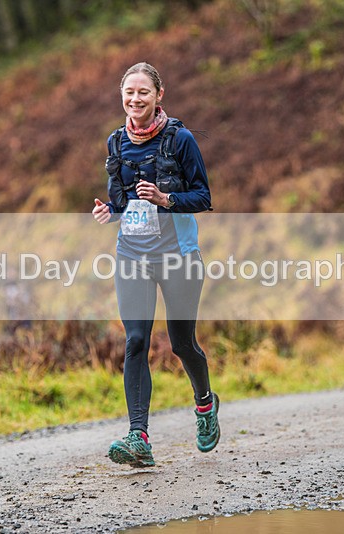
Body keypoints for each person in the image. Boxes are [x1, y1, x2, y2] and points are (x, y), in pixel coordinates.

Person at [92, 62, 219, 468]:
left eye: (143, 91)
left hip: (178, 255)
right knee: (135, 341)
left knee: (182, 343)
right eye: (129, 92)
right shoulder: (115, 143)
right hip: (132, 255)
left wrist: (166, 200)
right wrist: (108, 211)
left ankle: (204, 404)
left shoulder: (180, 140)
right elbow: (122, 201)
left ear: (159, 95)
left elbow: (203, 196)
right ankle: (138, 436)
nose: (135, 99)